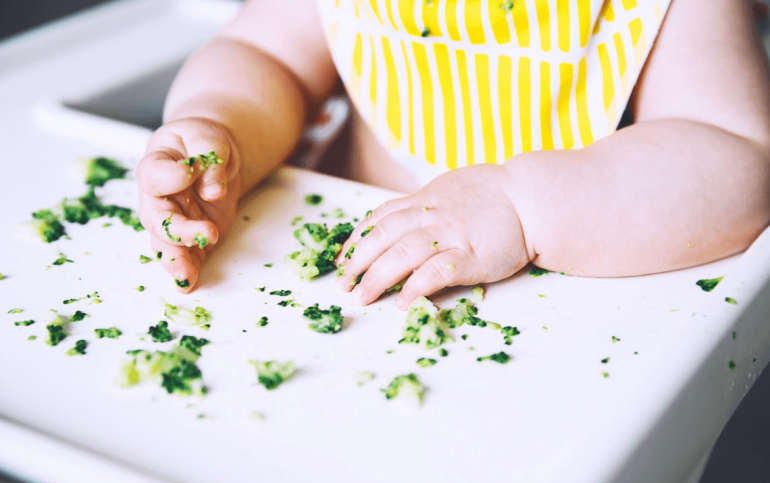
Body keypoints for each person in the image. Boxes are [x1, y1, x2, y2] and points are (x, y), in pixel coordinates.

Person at [137, 0, 770, 310]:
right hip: (350, 280)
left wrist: (522, 207)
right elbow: (267, 57)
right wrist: (221, 130)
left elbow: (739, 160)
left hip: (560, 307)